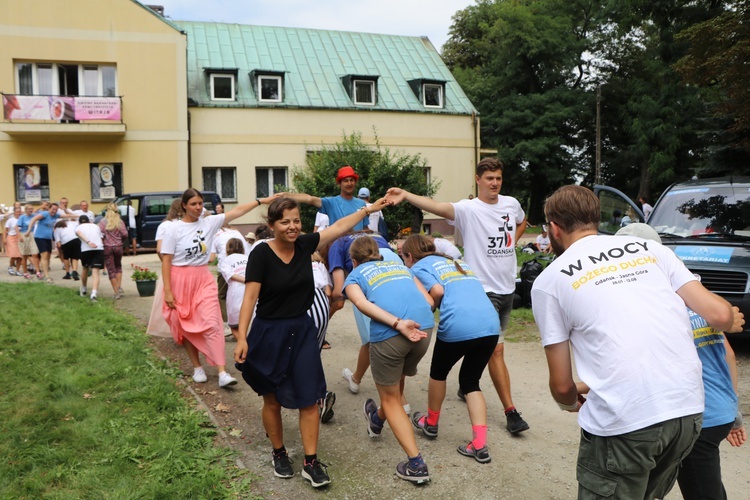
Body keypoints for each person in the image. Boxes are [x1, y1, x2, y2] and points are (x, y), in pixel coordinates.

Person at [530, 185, 744, 498]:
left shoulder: (550, 281)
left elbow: (562, 386)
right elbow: (720, 315)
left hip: (627, 421)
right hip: (687, 413)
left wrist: (567, 403)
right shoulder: (653, 250)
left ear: (553, 228)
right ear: (595, 218)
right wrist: (731, 315)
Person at [233, 195, 388, 489]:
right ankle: (279, 453)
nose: (292, 227)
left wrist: (368, 209)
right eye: (284, 222)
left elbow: (341, 226)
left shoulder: (305, 245)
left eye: (296, 221)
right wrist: (241, 336)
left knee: (309, 397)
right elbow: (250, 297)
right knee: (272, 398)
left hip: (302, 331)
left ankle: (310, 462)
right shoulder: (261, 254)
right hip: (269, 332)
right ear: (271, 224)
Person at [386, 157, 531, 435]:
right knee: (495, 350)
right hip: (481, 288)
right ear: (478, 180)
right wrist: (406, 196)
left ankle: (467, 386)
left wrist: (510, 245)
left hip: (507, 288)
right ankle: (510, 412)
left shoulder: (511, 204)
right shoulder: (468, 209)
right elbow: (437, 206)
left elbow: (522, 222)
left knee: (486, 347)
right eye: (489, 178)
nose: (495, 183)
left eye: (499, 178)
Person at [614, 224, 747, 499]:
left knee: (698, 489)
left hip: (693, 417)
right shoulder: (699, 295)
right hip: (720, 410)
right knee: (705, 481)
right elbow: (728, 354)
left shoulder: (652, 303)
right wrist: (734, 414)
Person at [343, 236, 435, 484]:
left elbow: (360, 303)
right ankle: (376, 420)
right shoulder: (401, 268)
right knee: (394, 386)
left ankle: (416, 464)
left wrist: (396, 323)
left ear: (353, 260)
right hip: (424, 329)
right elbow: (428, 300)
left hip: (392, 335)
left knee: (390, 397)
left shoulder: (354, 276)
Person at [402, 235, 499, 464]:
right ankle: (479, 444)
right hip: (490, 326)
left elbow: (437, 291)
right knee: (470, 382)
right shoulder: (458, 262)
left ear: (410, 256)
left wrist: (428, 310)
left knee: (439, 373)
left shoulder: (418, 266)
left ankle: (431, 423)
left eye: (403, 256)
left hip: (459, 325)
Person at [162, 189, 270, 390]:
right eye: (193, 204)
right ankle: (197, 367)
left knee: (213, 323)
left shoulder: (209, 222)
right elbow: (166, 260)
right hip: (180, 280)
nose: (198, 207)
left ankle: (222, 372)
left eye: (200, 203)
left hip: (202, 278)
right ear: (184, 205)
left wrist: (261, 201)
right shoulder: (173, 229)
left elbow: (237, 211)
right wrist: (168, 290)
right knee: (185, 324)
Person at [328, 233, 404, 400]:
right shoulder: (376, 235)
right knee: (400, 326)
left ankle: (358, 381)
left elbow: (338, 290)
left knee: (372, 337)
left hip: (367, 272)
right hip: (393, 262)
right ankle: (396, 387)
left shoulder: (337, 242)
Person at [282, 165, 367, 230]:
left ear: (355, 182)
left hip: (357, 249)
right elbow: (310, 199)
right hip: (337, 247)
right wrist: (286, 196)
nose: (349, 184)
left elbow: (365, 227)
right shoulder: (332, 202)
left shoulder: (361, 204)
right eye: (345, 181)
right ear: (339, 184)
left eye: (351, 180)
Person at [147, 199, 182, 337]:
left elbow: (159, 249)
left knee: (171, 300)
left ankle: (175, 330)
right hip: (186, 268)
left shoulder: (164, 225)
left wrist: (167, 264)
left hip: (171, 267)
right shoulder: (185, 224)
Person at [25, 202, 78, 282]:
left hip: (48, 238)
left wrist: (80, 216)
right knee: (44, 254)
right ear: (49, 208)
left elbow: (67, 216)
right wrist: (29, 230)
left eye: (56, 210)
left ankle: (44, 272)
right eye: (53, 209)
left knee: (48, 256)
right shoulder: (45, 214)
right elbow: (33, 219)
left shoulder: (56, 215)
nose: (54, 211)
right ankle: (46, 276)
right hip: (40, 237)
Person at [218, 238, 248, 342]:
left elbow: (230, 275)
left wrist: (245, 279)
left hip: (235, 293)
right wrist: (249, 280)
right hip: (251, 291)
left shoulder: (226, 260)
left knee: (234, 325)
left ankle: (243, 343)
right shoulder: (248, 258)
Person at [99, 203, 129, 299]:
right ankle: (119, 286)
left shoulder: (103, 222)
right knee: (118, 266)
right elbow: (124, 234)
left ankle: (116, 292)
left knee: (111, 269)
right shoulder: (119, 221)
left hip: (107, 247)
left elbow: (101, 234)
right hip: (118, 246)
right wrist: (121, 241)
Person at [75, 215, 104, 302]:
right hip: (98, 248)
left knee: (85, 268)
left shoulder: (78, 227)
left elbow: (79, 233)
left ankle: (84, 289)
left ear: (79, 222)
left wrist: (88, 242)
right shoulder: (96, 226)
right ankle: (93, 294)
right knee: (96, 272)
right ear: (88, 221)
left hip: (86, 249)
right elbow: (101, 237)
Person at [15, 204, 40, 279]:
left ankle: (38, 271)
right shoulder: (22, 217)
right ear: (26, 210)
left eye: (31, 209)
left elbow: (42, 215)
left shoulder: (34, 216)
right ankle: (25, 273)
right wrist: (19, 236)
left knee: (35, 253)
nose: (30, 210)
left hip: (32, 235)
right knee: (25, 255)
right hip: (24, 234)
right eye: (29, 209)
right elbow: (16, 227)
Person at [3, 206, 22, 275]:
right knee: (14, 254)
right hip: (11, 237)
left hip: (19, 238)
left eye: (19, 212)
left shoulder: (22, 219)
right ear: (14, 213)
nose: (18, 213)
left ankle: (17, 270)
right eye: (17, 212)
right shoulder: (10, 220)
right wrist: (4, 238)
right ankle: (10, 267)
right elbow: (5, 230)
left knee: (20, 256)